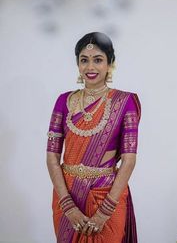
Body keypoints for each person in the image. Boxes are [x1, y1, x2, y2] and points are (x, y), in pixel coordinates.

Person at [46, 32, 141, 243]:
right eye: (84, 60)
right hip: (66, 195)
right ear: (77, 64)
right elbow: (52, 157)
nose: (90, 67)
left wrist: (104, 212)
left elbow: (129, 160)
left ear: (110, 63)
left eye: (98, 60)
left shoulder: (125, 103)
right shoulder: (63, 101)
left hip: (106, 195)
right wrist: (67, 206)